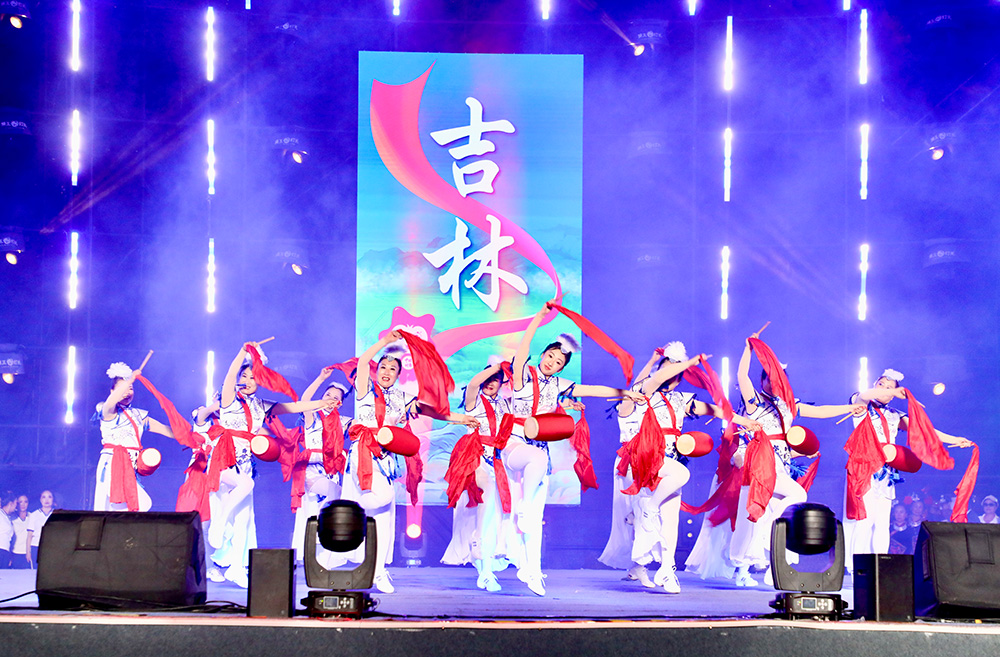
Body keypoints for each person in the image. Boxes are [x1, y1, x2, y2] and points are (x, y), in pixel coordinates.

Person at [506, 301, 643, 596]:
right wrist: (539, 317)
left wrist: (625, 392)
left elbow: (593, 390)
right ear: (542, 355)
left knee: (535, 515)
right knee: (531, 487)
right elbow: (523, 345)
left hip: (540, 453)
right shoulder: (522, 375)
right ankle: (523, 510)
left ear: (562, 368)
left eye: (558, 362)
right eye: (550, 356)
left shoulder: (559, 385)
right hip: (514, 446)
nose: (552, 363)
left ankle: (532, 571)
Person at [615, 342, 762, 593]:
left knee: (671, 520)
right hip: (645, 459)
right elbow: (656, 377)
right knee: (677, 479)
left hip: (669, 462)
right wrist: (687, 362)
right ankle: (648, 513)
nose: (669, 375)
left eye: (675, 373)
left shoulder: (681, 399)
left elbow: (715, 410)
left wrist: (743, 421)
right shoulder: (645, 393)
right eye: (667, 369)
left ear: (679, 379)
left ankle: (666, 569)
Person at [339, 330, 476, 594]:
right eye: (383, 367)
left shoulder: (402, 398)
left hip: (385, 459)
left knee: (383, 519)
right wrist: (385, 343)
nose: (387, 371)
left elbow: (434, 412)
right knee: (385, 497)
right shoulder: (365, 391)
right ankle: (349, 509)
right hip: (363, 454)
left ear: (399, 375)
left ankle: (377, 572)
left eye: (393, 369)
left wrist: (461, 418)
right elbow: (363, 361)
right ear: (376, 371)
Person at [729, 328, 862, 587]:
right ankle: (748, 564)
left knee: (769, 510)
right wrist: (748, 349)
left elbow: (820, 411)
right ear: (762, 381)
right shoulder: (755, 401)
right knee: (785, 500)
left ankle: (772, 565)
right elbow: (741, 376)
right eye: (768, 379)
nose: (773, 383)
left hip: (781, 463)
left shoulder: (789, 405)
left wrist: (849, 407)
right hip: (758, 461)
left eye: (778, 380)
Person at [208, 342, 338, 587]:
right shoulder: (229, 399)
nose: (248, 380)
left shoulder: (261, 405)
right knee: (244, 487)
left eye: (254, 377)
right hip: (222, 460)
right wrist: (243, 352)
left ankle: (236, 569)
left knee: (244, 520)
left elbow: (293, 407)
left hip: (245, 465)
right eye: (244, 376)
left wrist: (322, 404)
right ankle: (218, 523)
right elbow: (230, 373)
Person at [845, 368, 971, 568]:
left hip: (886, 472)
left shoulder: (895, 415)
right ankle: (857, 569)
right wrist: (893, 391)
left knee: (881, 523)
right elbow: (865, 394)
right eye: (881, 385)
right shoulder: (861, 404)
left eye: (890, 388)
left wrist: (954, 439)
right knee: (865, 522)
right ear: (875, 385)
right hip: (864, 468)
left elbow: (926, 431)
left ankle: (880, 568)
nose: (885, 389)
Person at [441, 363, 511, 593]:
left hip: (497, 461)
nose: (491, 383)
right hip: (474, 458)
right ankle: (478, 539)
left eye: (496, 379)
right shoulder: (475, 400)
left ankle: (486, 573)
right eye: (488, 378)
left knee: (494, 517)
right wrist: (497, 367)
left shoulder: (504, 404)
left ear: (502, 384)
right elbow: (472, 384)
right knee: (487, 493)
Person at [292, 367, 353, 566]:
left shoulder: (343, 421)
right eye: (328, 395)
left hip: (331, 472)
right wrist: (320, 378)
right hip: (311, 470)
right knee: (333, 496)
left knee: (324, 508)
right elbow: (304, 401)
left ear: (340, 402)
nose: (330, 399)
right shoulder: (313, 416)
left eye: (335, 397)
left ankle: (323, 558)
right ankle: (319, 545)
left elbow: (362, 427)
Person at [95, 362, 175, 512]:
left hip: (129, 467)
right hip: (112, 464)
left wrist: (191, 434)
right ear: (112, 391)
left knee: (127, 508)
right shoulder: (108, 411)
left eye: (131, 388)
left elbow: (166, 430)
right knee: (132, 505)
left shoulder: (138, 415)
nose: (127, 392)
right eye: (122, 389)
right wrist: (129, 381)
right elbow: (111, 400)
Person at [25, 490, 55, 569]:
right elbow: (29, 535)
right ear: (40, 500)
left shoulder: (56, 514)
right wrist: (28, 552)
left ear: (53, 499)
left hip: (52, 547)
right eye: (44, 497)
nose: (46, 500)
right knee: (36, 570)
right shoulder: (34, 515)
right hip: (36, 547)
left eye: (49, 497)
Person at [10, 494, 30, 569]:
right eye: (20, 502)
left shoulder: (32, 517)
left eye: (25, 502)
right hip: (15, 553)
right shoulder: (12, 518)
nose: (23, 504)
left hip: (28, 554)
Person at [0, 492, 15, 568]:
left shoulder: (7, 517)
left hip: (5, 551)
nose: (16, 506)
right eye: (16, 503)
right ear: (11, 504)